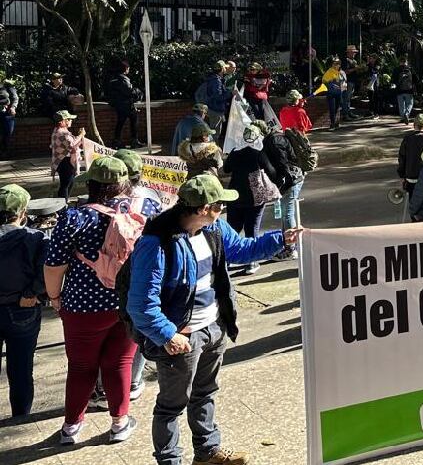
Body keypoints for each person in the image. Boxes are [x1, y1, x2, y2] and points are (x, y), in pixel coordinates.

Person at [127, 174, 297, 465]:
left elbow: (241, 249)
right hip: (181, 338)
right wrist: (168, 335)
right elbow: (141, 304)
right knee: (171, 406)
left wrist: (280, 240)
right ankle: (170, 460)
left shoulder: (214, 228)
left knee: (205, 393)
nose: (223, 209)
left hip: (214, 327)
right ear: (204, 208)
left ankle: (207, 452)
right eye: (220, 205)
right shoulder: (156, 243)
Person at [44, 156, 160, 445]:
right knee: (120, 362)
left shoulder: (74, 217)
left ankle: (71, 427)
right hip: (128, 302)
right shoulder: (147, 209)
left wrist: (55, 297)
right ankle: (119, 423)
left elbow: (54, 266)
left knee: (81, 367)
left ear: (92, 184)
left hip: (82, 306)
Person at [0, 184, 46, 418]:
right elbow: (45, 271)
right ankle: (20, 417)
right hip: (23, 308)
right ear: (22, 213)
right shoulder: (36, 238)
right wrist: (32, 293)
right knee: (21, 369)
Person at [221, 126, 283, 275]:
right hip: (255, 197)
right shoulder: (258, 153)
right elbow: (272, 172)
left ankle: (224, 261)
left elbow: (226, 169)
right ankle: (251, 263)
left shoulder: (235, 152)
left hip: (234, 195)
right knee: (252, 228)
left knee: (233, 228)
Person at [261, 122, 304, 259]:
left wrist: (284, 181)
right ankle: (289, 244)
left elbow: (282, 162)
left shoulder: (273, 141)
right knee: (287, 213)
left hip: (291, 179)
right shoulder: (275, 138)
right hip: (294, 177)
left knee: (287, 214)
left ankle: (291, 248)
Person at [397, 115, 423, 219]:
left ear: (414, 125)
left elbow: (402, 158)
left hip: (411, 179)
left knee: (414, 207)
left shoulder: (407, 139)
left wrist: (402, 175)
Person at [50, 110, 86, 199]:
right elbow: (72, 145)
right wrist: (81, 135)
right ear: (62, 121)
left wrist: (80, 136)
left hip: (65, 161)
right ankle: (62, 204)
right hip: (64, 162)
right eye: (69, 119)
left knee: (70, 183)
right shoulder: (61, 132)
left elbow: (72, 144)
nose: (71, 121)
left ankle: (64, 202)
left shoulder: (61, 131)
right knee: (65, 185)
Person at [106, 60, 142, 148]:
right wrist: (138, 92)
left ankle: (117, 141)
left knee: (120, 123)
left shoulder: (112, 78)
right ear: (125, 68)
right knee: (134, 119)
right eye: (128, 68)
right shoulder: (123, 78)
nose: (128, 70)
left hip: (117, 104)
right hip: (126, 104)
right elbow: (129, 91)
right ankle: (134, 141)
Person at [195, 62, 233, 138]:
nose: (226, 69)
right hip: (215, 110)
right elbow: (218, 97)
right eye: (225, 68)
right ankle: (212, 145)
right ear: (222, 69)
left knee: (213, 132)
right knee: (215, 134)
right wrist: (230, 93)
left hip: (212, 108)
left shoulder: (213, 79)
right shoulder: (216, 81)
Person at [320, 57, 347, 130]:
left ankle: (335, 123)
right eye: (335, 63)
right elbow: (324, 80)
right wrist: (331, 84)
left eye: (338, 64)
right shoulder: (329, 71)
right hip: (331, 93)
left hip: (338, 93)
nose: (337, 65)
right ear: (332, 64)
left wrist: (342, 89)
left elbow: (344, 82)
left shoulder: (341, 72)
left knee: (336, 108)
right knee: (332, 108)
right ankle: (332, 124)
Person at [395, 56, 416, 123]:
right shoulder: (410, 69)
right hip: (409, 90)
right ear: (406, 62)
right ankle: (407, 114)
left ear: (400, 62)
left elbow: (393, 80)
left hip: (399, 90)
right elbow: (416, 79)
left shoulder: (396, 69)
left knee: (401, 105)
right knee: (410, 103)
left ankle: (403, 117)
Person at [0, 75, 17, 153]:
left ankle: (5, 150)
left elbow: (15, 98)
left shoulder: (7, 86)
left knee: (8, 132)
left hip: (7, 112)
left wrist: (13, 107)